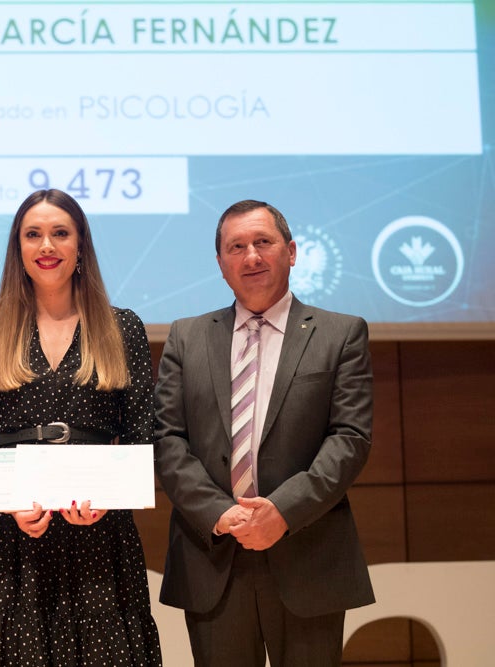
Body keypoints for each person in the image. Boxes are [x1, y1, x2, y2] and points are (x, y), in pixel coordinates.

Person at [0, 189, 162, 666]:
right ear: (17, 248)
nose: (47, 246)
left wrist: (108, 499)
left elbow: (145, 435)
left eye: (60, 233)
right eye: (33, 234)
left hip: (99, 538)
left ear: (80, 246)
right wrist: (10, 504)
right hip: (6, 536)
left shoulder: (124, 329)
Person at [153, 199, 375, 667]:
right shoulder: (186, 337)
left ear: (291, 252)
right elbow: (167, 440)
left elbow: (350, 438)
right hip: (213, 557)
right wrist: (221, 513)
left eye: (263, 243)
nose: (250, 256)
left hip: (307, 553)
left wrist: (282, 511)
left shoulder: (341, 334)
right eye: (236, 247)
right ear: (220, 264)